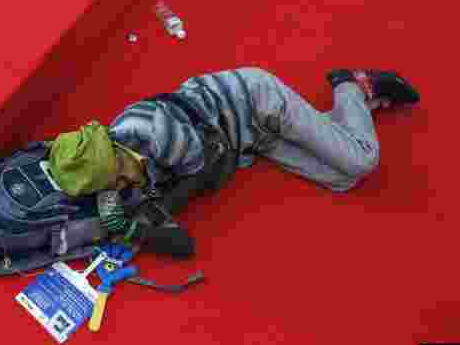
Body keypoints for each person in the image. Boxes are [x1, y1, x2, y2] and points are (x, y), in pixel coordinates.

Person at [47, 68, 420, 247]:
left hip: (259, 101)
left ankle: (352, 85)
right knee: (342, 179)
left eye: (119, 179)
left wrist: (141, 226)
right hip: (249, 138)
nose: (121, 186)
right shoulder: (109, 155)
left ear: (114, 155)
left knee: (360, 161)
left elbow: (207, 179)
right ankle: (359, 110)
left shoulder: (158, 135)